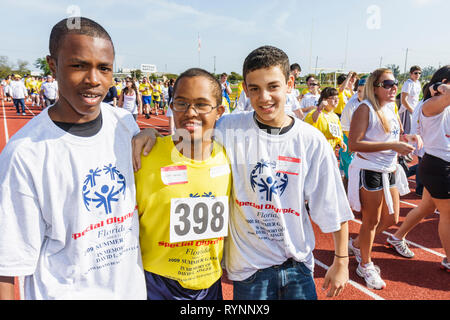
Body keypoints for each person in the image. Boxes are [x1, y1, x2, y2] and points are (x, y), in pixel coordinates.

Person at [133, 45, 353, 300]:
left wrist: (341, 261)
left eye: (273, 86)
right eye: (255, 89)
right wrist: (147, 132)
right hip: (250, 271)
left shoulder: (311, 141)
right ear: (245, 90)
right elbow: (192, 129)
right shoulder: (228, 128)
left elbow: (333, 203)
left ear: (290, 83)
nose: (264, 97)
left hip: (297, 265)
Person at [0, 17, 146, 300]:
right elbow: (6, 265)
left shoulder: (125, 124)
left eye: (104, 68)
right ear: (53, 65)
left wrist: (150, 133)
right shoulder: (25, 154)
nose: (93, 79)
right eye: (79, 65)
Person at [135, 68, 230, 300]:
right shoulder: (143, 154)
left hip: (209, 284)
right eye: (181, 103)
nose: (190, 112)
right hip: (156, 284)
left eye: (201, 104)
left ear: (219, 111)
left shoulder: (228, 158)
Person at [347, 68, 422, 290]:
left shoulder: (391, 107)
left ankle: (358, 244)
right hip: (369, 170)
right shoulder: (365, 108)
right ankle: (365, 263)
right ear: (375, 87)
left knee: (391, 218)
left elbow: (392, 135)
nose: (393, 87)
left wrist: (407, 137)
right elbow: (354, 144)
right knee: (370, 220)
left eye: (395, 83)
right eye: (387, 84)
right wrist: (392, 145)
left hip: (388, 169)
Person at [414, 66, 449, 271]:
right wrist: (438, 87)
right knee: (448, 215)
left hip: (441, 163)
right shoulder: (431, 104)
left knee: (427, 206)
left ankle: (398, 236)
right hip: (438, 164)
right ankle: (449, 259)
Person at [339, 77, 367, 187]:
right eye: (359, 91)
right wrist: (353, 144)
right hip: (350, 139)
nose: (361, 94)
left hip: (365, 140)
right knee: (350, 172)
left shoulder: (374, 104)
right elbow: (345, 128)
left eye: (364, 91)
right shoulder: (351, 104)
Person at [304, 87, 346, 153]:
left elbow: (338, 132)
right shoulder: (315, 112)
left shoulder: (335, 117)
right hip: (317, 150)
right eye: (333, 98)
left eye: (337, 98)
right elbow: (312, 120)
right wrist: (319, 109)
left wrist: (341, 141)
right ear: (324, 100)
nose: (336, 101)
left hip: (330, 151)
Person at [400, 66, 422, 135]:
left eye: (419, 73)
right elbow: (403, 100)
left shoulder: (418, 83)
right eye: (415, 73)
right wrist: (411, 110)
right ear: (411, 74)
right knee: (406, 132)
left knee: (413, 131)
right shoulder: (408, 84)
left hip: (415, 109)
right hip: (406, 110)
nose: (417, 75)